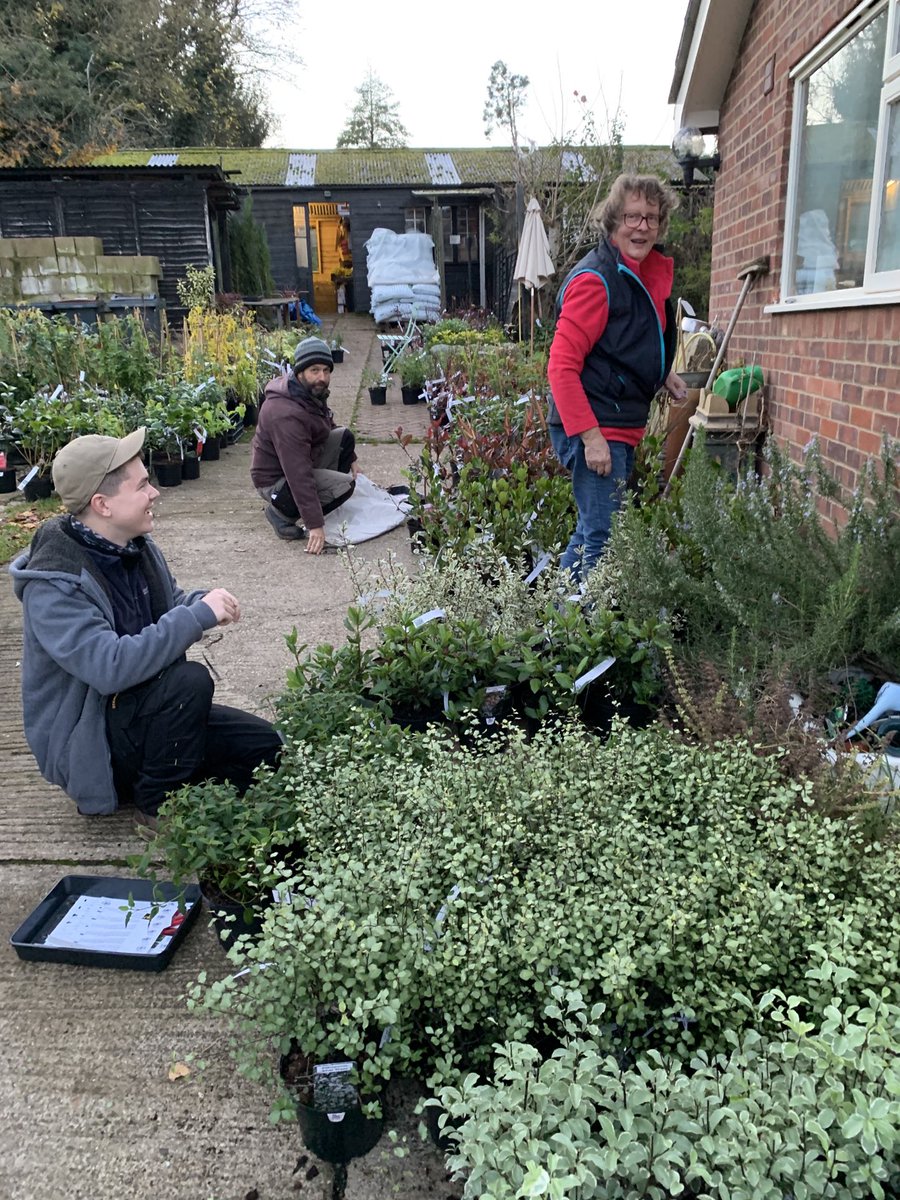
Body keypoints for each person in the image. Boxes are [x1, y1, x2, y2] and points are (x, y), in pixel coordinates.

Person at [9, 428, 282, 831]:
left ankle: (175, 778)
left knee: (265, 748)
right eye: (142, 486)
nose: (154, 493)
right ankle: (155, 805)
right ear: (102, 505)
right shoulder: (55, 584)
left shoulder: (134, 545)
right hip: (94, 741)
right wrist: (195, 617)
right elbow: (110, 667)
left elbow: (170, 606)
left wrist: (203, 603)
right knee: (190, 682)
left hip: (150, 712)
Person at [547, 173, 688, 582]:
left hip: (616, 424)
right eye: (632, 216)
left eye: (651, 218)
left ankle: (557, 619)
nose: (642, 226)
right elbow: (561, 366)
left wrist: (663, 374)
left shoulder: (637, 275)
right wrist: (591, 438)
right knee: (603, 542)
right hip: (596, 426)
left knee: (592, 534)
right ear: (613, 221)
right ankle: (586, 636)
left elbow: (626, 345)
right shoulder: (597, 280)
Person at [250, 336, 359, 553]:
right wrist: (315, 525)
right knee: (344, 485)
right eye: (315, 370)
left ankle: (316, 498)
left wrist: (352, 457)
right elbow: (298, 473)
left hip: (303, 458)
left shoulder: (307, 391)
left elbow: (326, 422)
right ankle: (281, 514)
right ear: (300, 372)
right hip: (276, 481)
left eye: (326, 371)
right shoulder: (285, 415)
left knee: (344, 438)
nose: (322, 377)